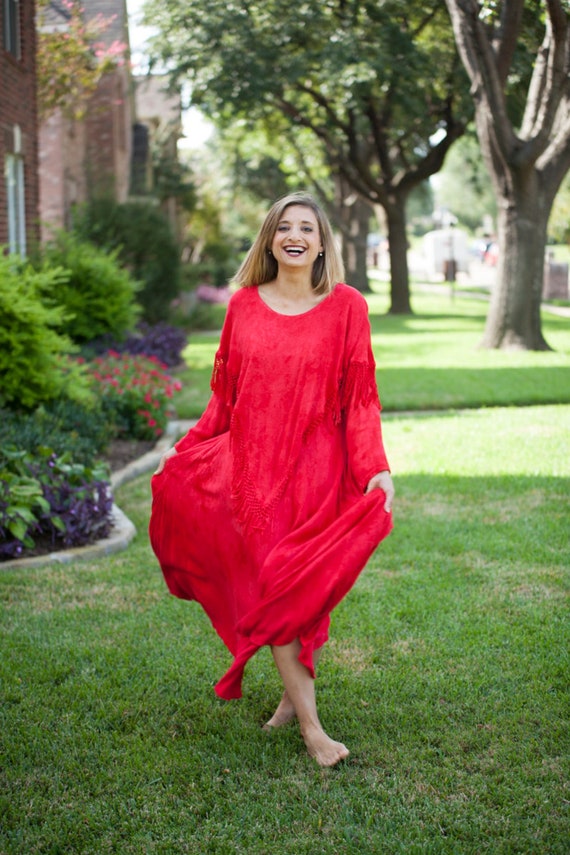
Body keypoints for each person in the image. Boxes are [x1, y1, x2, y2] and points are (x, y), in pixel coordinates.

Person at [149, 192, 394, 767]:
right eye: (284, 227)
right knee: (277, 586)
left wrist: (374, 466)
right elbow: (224, 401)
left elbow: (361, 400)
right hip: (255, 476)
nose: (295, 236)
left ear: (321, 242)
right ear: (269, 239)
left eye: (307, 227)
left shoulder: (347, 307)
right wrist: (185, 451)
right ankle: (314, 730)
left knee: (302, 592)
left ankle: (289, 700)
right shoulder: (243, 307)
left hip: (318, 475)